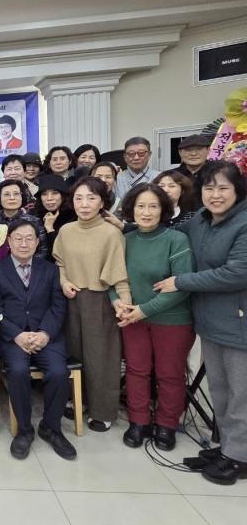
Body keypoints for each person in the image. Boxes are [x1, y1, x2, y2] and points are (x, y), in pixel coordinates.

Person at [153, 161, 247, 485]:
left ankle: (239, 458)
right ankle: (227, 448)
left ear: (237, 191)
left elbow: (236, 273)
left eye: (223, 188)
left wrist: (182, 280)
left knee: (241, 394)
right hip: (210, 321)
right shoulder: (201, 221)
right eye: (209, 188)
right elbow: (169, 233)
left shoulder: (244, 223)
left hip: (239, 321)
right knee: (220, 390)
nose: (215, 194)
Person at [114, 184, 195, 452]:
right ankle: (139, 422)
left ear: (164, 210)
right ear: (131, 209)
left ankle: (167, 424)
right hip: (132, 318)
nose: (146, 212)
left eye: (153, 206)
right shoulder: (125, 240)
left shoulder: (177, 240)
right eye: (140, 206)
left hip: (172, 320)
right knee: (137, 371)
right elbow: (113, 279)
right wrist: (117, 303)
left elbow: (181, 286)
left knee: (169, 374)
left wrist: (143, 310)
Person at [0, 221, 76, 460]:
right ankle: (24, 430)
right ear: (9, 242)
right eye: (18, 238)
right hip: (12, 337)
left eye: (29, 238)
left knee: (59, 373)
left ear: (38, 242)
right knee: (17, 370)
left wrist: (45, 333)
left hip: (46, 335)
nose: (24, 243)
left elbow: (58, 306)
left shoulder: (50, 269)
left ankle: (51, 427)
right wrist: (16, 334)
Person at [52, 176, 130, 432]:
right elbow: (60, 264)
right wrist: (64, 282)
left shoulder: (112, 232)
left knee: (102, 357)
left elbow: (119, 275)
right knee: (74, 353)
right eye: (79, 198)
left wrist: (125, 305)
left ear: (102, 202)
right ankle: (79, 401)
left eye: (91, 198)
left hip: (101, 300)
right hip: (71, 298)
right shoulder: (66, 231)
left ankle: (103, 410)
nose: (84, 204)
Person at [0, 180, 47, 258]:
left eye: (16, 194)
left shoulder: (34, 221)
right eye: (7, 194)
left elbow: (43, 250)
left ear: (22, 197)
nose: (12, 198)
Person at [33, 175, 75, 261]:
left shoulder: (73, 216)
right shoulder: (34, 216)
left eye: (54, 193)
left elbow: (66, 252)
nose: (49, 198)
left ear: (63, 196)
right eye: (44, 194)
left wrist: (50, 229)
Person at [174, 134, 209, 208]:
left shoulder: (219, 173)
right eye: (188, 150)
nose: (194, 154)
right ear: (180, 152)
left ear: (208, 150)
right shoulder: (172, 176)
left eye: (199, 149)